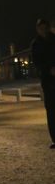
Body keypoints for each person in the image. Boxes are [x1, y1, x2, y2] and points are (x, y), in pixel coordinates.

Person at [31, 19, 55, 149]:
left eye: (45, 28)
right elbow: (37, 62)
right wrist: (48, 69)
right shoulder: (36, 44)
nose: (43, 31)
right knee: (51, 109)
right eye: (41, 28)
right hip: (47, 79)